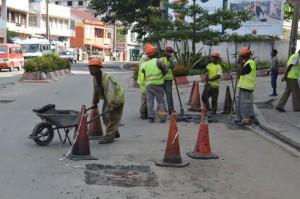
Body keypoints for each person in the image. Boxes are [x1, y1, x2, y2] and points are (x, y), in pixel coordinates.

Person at [88, 58, 125, 144]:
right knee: (105, 116)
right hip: (108, 99)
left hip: (117, 98)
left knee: (110, 116)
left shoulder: (106, 78)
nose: (90, 70)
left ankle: (109, 137)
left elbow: (110, 92)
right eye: (89, 68)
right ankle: (113, 132)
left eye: (92, 68)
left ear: (98, 68)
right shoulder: (95, 78)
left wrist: (111, 106)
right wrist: (94, 102)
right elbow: (96, 91)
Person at [141, 45, 168, 123]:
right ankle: (162, 118)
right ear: (154, 54)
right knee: (161, 101)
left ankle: (151, 117)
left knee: (150, 102)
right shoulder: (158, 61)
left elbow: (143, 71)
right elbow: (164, 70)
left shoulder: (145, 64)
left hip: (148, 85)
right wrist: (162, 75)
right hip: (158, 84)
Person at [235, 47, 256, 125]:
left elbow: (243, 72)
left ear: (244, 56)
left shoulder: (250, 63)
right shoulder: (246, 62)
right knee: (240, 103)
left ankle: (246, 119)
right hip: (243, 87)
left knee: (245, 104)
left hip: (247, 87)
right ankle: (241, 118)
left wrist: (239, 69)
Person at [137, 43, 151, 119]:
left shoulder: (144, 58)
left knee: (145, 98)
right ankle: (143, 113)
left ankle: (145, 112)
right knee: (145, 98)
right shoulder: (145, 59)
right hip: (144, 81)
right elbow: (145, 70)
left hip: (143, 80)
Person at [160, 46, 176, 115]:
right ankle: (162, 109)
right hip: (161, 80)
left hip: (168, 80)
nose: (168, 53)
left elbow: (173, 65)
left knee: (169, 95)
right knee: (160, 96)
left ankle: (171, 110)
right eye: (167, 52)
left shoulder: (173, 59)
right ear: (165, 52)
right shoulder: (161, 59)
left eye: (170, 52)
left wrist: (171, 59)